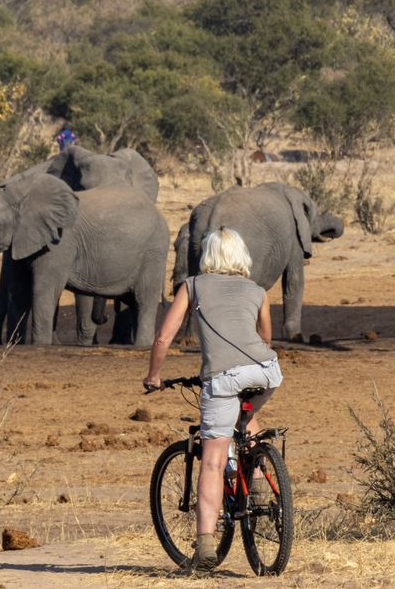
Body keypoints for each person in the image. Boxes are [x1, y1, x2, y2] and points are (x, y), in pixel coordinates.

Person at [143, 227, 283, 572]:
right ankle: (260, 486)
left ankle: (205, 545)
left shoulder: (192, 286)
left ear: (208, 256)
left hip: (222, 378)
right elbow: (265, 338)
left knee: (213, 459)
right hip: (267, 372)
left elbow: (163, 338)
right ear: (241, 256)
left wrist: (154, 377)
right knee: (246, 419)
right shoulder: (258, 290)